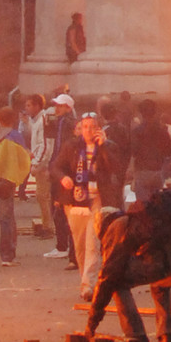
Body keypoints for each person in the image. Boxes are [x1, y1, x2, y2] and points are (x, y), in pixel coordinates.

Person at [86, 190, 171, 342]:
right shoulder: (162, 217)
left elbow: (108, 277)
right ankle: (167, 338)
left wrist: (92, 322)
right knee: (160, 283)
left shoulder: (117, 227)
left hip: (161, 262)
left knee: (117, 283)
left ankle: (136, 338)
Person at [51, 112, 124, 301]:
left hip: (97, 199)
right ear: (79, 128)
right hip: (75, 200)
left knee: (93, 243)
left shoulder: (110, 147)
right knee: (80, 245)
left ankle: (88, 286)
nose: (88, 130)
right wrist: (64, 178)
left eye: (92, 126)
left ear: (99, 129)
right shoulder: (72, 147)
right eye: (85, 126)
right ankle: (86, 279)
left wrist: (104, 147)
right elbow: (56, 167)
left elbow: (116, 169)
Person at [0, 107, 30, 267]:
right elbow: (23, 157)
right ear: (13, 120)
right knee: (6, 218)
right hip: (5, 181)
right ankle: (7, 256)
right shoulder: (15, 136)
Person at [45, 93, 78, 264]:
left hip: (63, 171)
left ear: (67, 107)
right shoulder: (61, 122)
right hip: (60, 168)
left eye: (60, 105)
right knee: (59, 208)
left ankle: (62, 245)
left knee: (60, 208)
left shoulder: (67, 123)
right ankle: (63, 245)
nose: (56, 108)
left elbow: (62, 149)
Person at [129, 99, 171, 203]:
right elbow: (170, 151)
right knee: (158, 205)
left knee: (143, 207)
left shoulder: (136, 132)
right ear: (155, 112)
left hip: (142, 171)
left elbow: (133, 151)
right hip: (158, 171)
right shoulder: (162, 131)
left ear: (141, 113)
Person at [24, 94, 54, 237]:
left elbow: (45, 145)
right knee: (42, 196)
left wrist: (37, 163)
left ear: (37, 106)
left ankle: (48, 227)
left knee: (43, 195)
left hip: (43, 164)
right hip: (39, 161)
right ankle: (46, 223)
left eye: (29, 105)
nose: (26, 108)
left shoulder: (43, 120)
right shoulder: (34, 121)